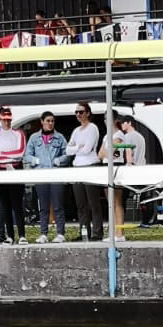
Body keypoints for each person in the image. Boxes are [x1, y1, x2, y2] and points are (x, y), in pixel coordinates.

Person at [26, 111, 69, 243]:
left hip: (56, 175)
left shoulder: (60, 137)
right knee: (43, 206)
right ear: (42, 121)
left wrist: (59, 161)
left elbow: (67, 154)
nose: (50, 123)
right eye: (48, 121)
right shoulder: (34, 138)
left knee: (58, 205)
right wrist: (36, 161)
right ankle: (43, 233)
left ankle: (60, 233)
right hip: (41, 175)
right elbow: (26, 155)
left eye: (52, 121)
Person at [0, 106, 27, 243]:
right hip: (0, 173)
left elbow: (20, 153)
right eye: (4, 120)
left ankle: (22, 235)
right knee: (5, 205)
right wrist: (9, 157)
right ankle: (10, 235)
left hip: (15, 172)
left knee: (17, 205)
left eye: (8, 119)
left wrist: (2, 154)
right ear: (0, 119)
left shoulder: (18, 134)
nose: (6, 122)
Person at [104, 114, 146, 240]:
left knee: (117, 203)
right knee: (119, 202)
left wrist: (128, 165)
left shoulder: (127, 137)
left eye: (123, 123)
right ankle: (118, 233)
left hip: (128, 172)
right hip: (140, 170)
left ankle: (118, 233)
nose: (121, 126)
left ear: (129, 123)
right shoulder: (141, 137)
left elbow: (128, 155)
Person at [65, 101, 103, 240]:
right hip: (77, 166)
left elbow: (87, 149)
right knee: (80, 204)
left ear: (88, 113)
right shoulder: (76, 131)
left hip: (90, 165)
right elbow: (68, 150)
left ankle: (97, 232)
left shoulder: (92, 128)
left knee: (93, 202)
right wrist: (77, 147)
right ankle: (84, 232)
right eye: (76, 112)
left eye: (81, 112)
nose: (78, 115)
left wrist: (76, 148)